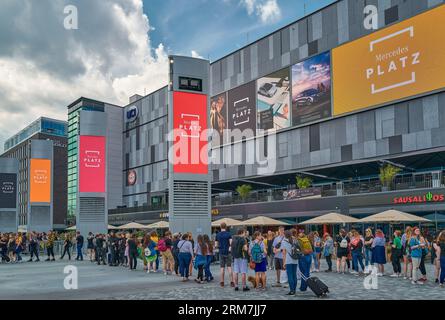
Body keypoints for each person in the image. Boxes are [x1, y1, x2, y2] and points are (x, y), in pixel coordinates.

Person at [215, 223, 234, 288]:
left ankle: (222, 282)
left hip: (221, 252)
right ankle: (231, 282)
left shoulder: (217, 235)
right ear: (226, 227)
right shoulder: (229, 234)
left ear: (220, 227)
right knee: (229, 267)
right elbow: (231, 243)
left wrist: (219, 247)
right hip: (228, 252)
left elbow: (215, 245)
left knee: (222, 268)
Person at [281, 230, 299, 295]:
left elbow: (283, 251)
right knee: (294, 275)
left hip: (289, 260)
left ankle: (292, 290)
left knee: (290, 276)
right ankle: (294, 289)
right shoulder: (295, 240)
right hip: (295, 259)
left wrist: (284, 262)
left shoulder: (284, 241)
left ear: (285, 235)